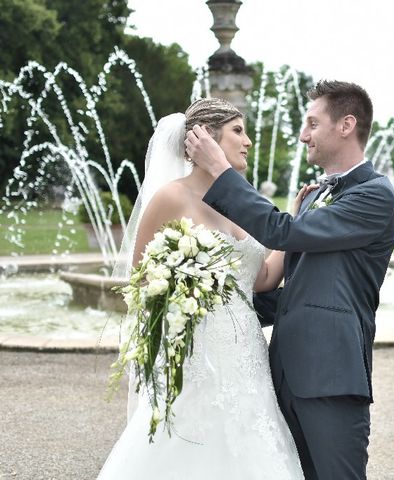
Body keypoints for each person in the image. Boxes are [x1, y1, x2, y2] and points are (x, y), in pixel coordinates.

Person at [186, 80, 394, 480]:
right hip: (283, 374)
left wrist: (218, 169)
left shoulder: (375, 196)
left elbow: (279, 233)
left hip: (330, 380)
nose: (303, 135)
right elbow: (300, 291)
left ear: (346, 125)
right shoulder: (318, 196)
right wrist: (214, 308)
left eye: (312, 124)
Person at [97, 98, 306, 479]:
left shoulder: (244, 200)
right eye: (238, 131)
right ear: (205, 138)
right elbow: (140, 281)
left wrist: (294, 221)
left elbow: (262, 279)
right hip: (196, 355)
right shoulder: (171, 198)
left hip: (246, 353)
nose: (248, 142)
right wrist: (184, 294)